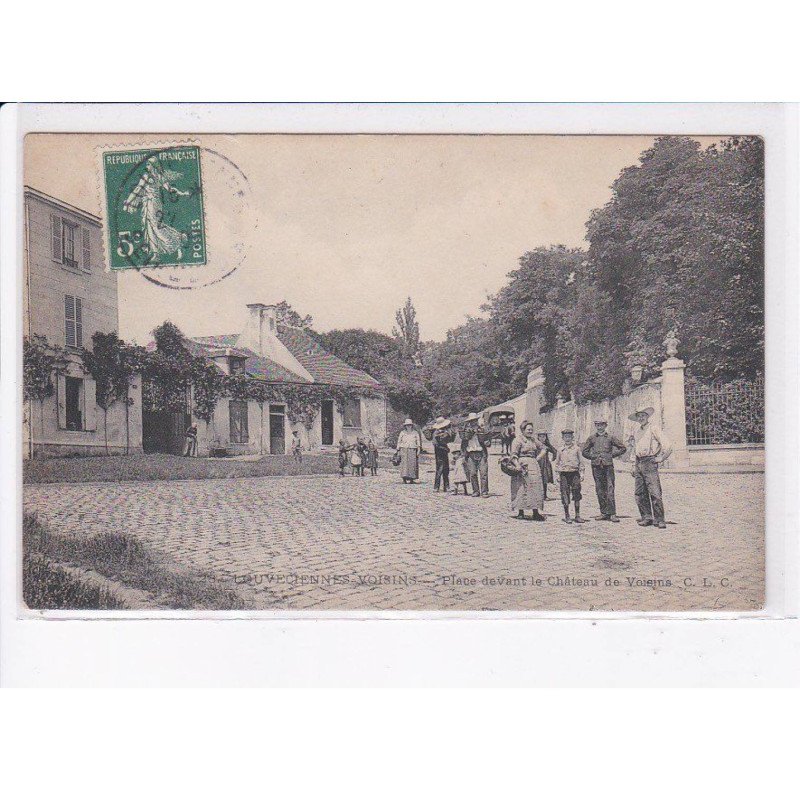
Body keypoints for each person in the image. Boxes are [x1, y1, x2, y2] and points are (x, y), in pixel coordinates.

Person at [628, 406, 672, 529]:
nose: (641, 418)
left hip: (650, 462)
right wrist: (633, 465)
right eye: (639, 416)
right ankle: (647, 517)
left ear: (647, 417)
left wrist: (661, 458)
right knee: (639, 492)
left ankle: (659, 519)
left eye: (643, 415)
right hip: (639, 463)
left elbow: (667, 445)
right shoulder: (637, 432)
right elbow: (634, 450)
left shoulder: (654, 428)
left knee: (655, 491)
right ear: (637, 419)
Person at [581, 418, 626, 522]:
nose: (599, 427)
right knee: (599, 489)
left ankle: (612, 513)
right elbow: (584, 451)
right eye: (597, 425)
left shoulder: (610, 437)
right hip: (596, 466)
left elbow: (623, 448)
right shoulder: (592, 438)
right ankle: (603, 513)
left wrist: (611, 455)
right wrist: (592, 457)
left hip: (608, 466)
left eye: (602, 425)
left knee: (610, 488)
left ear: (605, 426)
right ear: (595, 426)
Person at [509, 421, 546, 520]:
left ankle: (535, 511)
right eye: (528, 429)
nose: (530, 431)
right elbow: (513, 455)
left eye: (531, 429)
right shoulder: (517, 440)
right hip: (522, 465)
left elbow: (543, 448)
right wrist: (517, 465)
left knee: (535, 488)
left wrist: (538, 458)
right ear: (523, 430)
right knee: (521, 488)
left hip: (533, 465)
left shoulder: (534, 440)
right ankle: (520, 511)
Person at [554, 429, 586, 524]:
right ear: (563, 438)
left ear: (572, 438)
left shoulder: (577, 449)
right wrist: (557, 475)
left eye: (569, 437)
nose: (567, 439)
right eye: (565, 437)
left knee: (576, 493)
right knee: (565, 494)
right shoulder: (560, 450)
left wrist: (582, 473)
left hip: (574, 473)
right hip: (564, 473)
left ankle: (577, 515)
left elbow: (581, 462)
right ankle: (567, 515)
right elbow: (557, 463)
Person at [461, 412, 491, 497]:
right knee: (473, 473)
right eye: (471, 421)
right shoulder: (466, 433)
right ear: (469, 422)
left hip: (481, 453)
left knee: (483, 473)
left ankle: (484, 491)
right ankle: (475, 490)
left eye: (474, 421)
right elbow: (463, 444)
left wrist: (487, 442)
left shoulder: (482, 430)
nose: (473, 423)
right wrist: (463, 455)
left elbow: (488, 441)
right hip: (470, 453)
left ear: (477, 421)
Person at [431, 416, 455, 493]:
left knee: (446, 469)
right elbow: (435, 444)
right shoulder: (436, 433)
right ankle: (437, 486)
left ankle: (446, 486)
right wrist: (446, 449)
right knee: (440, 469)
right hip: (439, 452)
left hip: (443, 452)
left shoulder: (443, 432)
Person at [397, 419, 422, 484]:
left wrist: (419, 449)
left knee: (412, 464)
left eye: (410, 425)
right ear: (405, 426)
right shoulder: (402, 432)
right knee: (404, 464)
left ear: (412, 426)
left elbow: (418, 441)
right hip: (404, 449)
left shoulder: (415, 432)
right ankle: (404, 479)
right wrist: (398, 450)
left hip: (412, 449)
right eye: (407, 425)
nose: (408, 426)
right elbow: (399, 441)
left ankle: (411, 479)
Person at [536, 431, 558, 500]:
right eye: (540, 437)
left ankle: (544, 495)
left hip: (545, 464)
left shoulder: (547, 445)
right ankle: (537, 495)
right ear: (538, 437)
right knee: (537, 479)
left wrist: (552, 459)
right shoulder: (535, 445)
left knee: (544, 480)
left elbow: (555, 451)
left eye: (544, 437)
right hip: (537, 463)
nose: (542, 438)